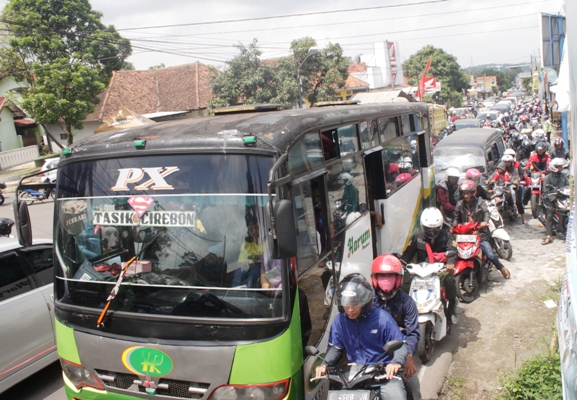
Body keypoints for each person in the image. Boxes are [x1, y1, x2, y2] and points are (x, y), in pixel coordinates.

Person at [315, 273, 408, 399]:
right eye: (346, 304)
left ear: (365, 302)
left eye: (355, 304)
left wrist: (395, 363)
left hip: (383, 375)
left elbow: (400, 345)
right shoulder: (339, 321)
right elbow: (335, 348)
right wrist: (324, 364)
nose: (350, 309)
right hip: (354, 376)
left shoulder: (382, 318)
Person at [371, 255, 422, 400]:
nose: (386, 279)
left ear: (398, 278)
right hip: (373, 351)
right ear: (375, 278)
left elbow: (413, 333)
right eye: (382, 275)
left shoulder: (407, 303)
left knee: (413, 384)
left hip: (400, 351)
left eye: (390, 275)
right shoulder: (368, 301)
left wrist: (409, 357)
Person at [401, 207, 459, 324]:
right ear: (423, 227)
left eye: (435, 229)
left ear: (440, 226)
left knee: (449, 279)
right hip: (421, 271)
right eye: (428, 229)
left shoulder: (446, 236)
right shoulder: (418, 237)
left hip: (439, 270)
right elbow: (409, 253)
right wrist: (401, 263)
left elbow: (453, 250)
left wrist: (450, 263)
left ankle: (452, 308)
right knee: (402, 285)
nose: (432, 232)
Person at [453, 180, 511, 279]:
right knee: (454, 253)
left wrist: (484, 222)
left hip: (480, 234)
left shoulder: (480, 202)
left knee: (490, 255)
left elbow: (486, 212)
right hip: (465, 235)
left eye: (468, 193)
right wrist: (453, 226)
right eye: (464, 193)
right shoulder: (459, 204)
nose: (466, 196)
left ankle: (501, 268)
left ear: (472, 193)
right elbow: (455, 217)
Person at [541, 158, 570, 245]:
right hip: (550, 198)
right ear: (554, 167)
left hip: (562, 197)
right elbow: (546, 191)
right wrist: (554, 201)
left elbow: (568, 185)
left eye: (561, 167)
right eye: (559, 167)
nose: (561, 168)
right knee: (550, 215)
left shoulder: (563, 176)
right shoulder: (547, 178)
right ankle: (548, 236)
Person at [232, 221, 265, 288]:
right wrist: (247, 264)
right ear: (248, 232)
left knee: (254, 270)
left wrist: (260, 260)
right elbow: (241, 263)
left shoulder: (268, 243)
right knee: (239, 270)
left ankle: (249, 292)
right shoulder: (246, 245)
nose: (254, 231)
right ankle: (234, 291)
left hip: (264, 269)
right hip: (249, 268)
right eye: (251, 229)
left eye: (256, 227)